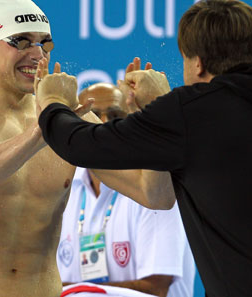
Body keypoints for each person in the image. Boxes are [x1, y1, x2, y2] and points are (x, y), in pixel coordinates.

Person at [35, 0, 252, 296]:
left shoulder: (192, 111)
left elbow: (81, 144)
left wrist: (52, 102)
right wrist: (158, 107)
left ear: (197, 63)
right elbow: (159, 195)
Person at [0, 0, 173, 296]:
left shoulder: (68, 118)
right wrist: (42, 130)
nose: (36, 54)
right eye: (21, 41)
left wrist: (158, 117)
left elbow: (156, 196)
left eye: (44, 44)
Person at [57, 83, 195, 297]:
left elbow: (156, 288)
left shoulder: (157, 187)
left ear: (133, 122)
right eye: (92, 115)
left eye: (114, 116)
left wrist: (76, 292)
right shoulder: (63, 189)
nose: (102, 125)